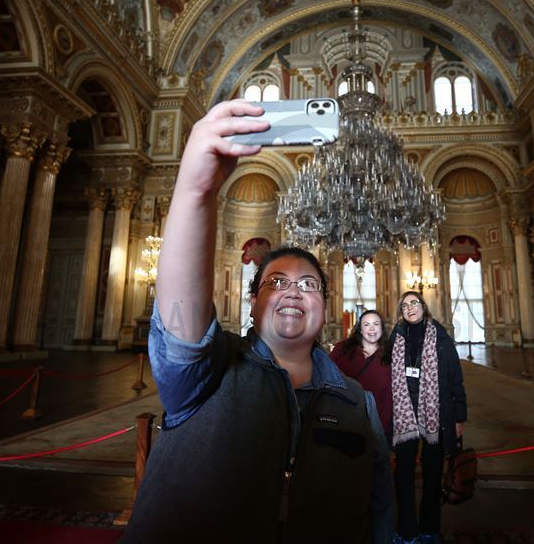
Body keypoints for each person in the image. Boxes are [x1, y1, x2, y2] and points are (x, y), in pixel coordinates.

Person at [122, 99, 393, 543]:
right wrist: (196, 191)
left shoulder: (358, 403)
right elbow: (179, 318)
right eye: (277, 282)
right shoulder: (204, 373)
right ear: (252, 302)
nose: (293, 291)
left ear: (324, 306)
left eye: (308, 285)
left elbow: (378, 508)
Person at [388, 291, 467, 544]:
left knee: (433, 476)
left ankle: (430, 529)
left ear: (423, 307)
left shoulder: (441, 338)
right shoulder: (396, 336)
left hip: (436, 413)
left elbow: (456, 380)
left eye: (414, 303)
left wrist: (458, 418)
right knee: (403, 475)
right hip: (404, 414)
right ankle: (407, 529)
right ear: (401, 312)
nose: (409, 308)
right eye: (404, 305)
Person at [330, 309, 392, 435]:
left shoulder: (390, 356)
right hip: (341, 420)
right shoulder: (342, 349)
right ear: (360, 329)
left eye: (376, 324)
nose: (372, 329)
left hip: (374, 425)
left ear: (382, 328)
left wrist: (382, 428)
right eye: (366, 324)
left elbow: (390, 397)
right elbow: (325, 376)